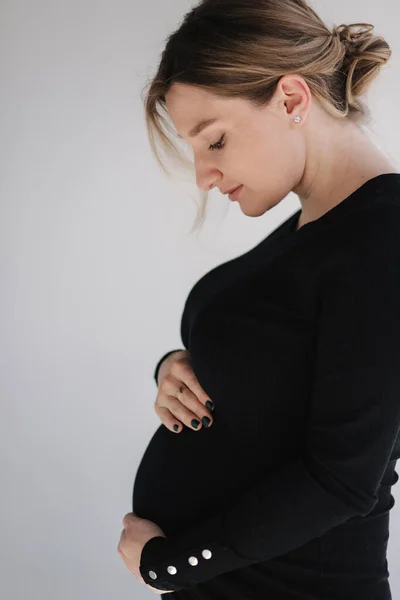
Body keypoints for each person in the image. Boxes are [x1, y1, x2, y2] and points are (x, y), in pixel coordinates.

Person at [125, 1, 400, 598]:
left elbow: (342, 480)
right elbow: (277, 370)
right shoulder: (319, 227)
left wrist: (167, 565)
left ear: (292, 100)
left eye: (215, 140)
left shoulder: (383, 239)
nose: (203, 174)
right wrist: (178, 367)